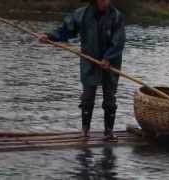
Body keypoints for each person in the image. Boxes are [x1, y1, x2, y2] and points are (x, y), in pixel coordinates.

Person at [39, 0, 126, 139]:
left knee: (110, 99)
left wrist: (108, 58)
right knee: (87, 97)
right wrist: (49, 36)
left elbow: (119, 41)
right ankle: (85, 130)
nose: (106, 2)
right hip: (89, 61)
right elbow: (66, 29)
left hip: (110, 64)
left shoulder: (116, 16)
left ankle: (109, 131)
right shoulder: (82, 14)